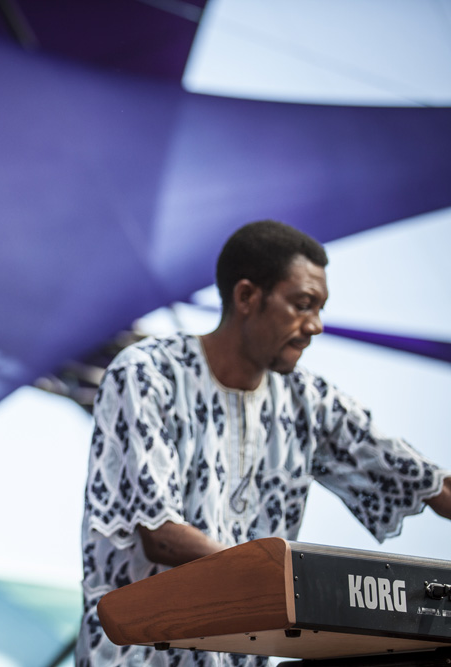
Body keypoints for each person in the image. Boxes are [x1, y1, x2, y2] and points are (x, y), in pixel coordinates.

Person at [77, 220, 451, 667]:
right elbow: (162, 536)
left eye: (320, 309)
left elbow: (426, 483)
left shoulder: (308, 401)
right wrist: (294, 582)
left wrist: (294, 584)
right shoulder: (146, 374)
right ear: (247, 297)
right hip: (138, 658)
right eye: (302, 304)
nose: (315, 325)